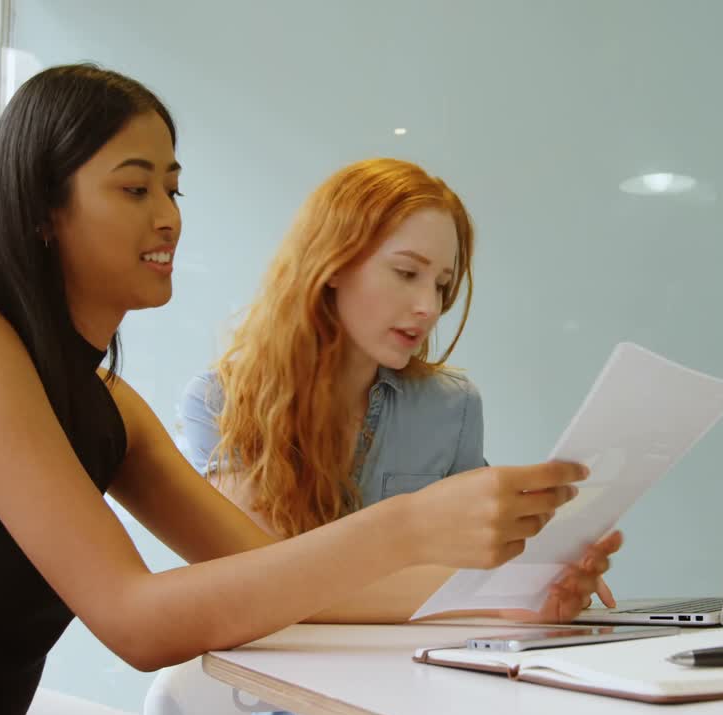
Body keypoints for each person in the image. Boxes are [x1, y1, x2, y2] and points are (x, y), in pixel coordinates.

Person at [0, 65, 617, 715]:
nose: (167, 216)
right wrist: (408, 526)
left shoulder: (110, 408)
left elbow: (275, 579)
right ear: (41, 211)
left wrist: (510, 602)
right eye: (135, 189)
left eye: (174, 189)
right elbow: (135, 620)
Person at [179, 158, 617, 619]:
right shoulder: (219, 402)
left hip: (409, 675)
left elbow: (479, 561)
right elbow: (263, 590)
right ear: (332, 263)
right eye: (407, 273)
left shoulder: (454, 405)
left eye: (442, 284)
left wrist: (541, 580)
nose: (429, 307)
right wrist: (505, 594)